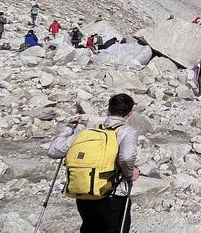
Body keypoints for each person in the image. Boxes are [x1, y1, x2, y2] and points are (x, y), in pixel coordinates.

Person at [48, 94, 140, 233]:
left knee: (89, 228)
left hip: (84, 191)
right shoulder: (127, 132)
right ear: (130, 113)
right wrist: (129, 174)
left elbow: (54, 150)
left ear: (108, 110)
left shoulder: (88, 131)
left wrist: (69, 128)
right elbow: (126, 157)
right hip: (113, 195)